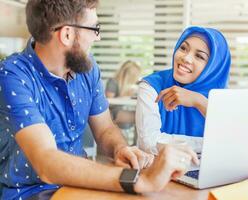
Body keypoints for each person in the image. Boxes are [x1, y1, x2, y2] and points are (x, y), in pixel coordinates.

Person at [0, 1, 198, 200]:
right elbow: (46, 162)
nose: (98, 37)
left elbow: (105, 129)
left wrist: (120, 148)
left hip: (79, 186)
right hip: (30, 193)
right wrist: (137, 180)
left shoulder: (87, 67)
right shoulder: (12, 75)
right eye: (95, 28)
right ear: (67, 34)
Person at [136, 26, 231, 154]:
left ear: (213, 68)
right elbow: (149, 142)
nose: (186, 58)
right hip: (161, 171)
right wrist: (209, 144)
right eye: (183, 48)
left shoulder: (222, 97)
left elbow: (235, 140)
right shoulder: (152, 86)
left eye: (199, 56)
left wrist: (200, 102)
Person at [105, 60, 141, 126]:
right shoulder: (113, 82)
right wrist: (125, 96)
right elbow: (108, 103)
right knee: (141, 117)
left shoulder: (132, 85)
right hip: (113, 112)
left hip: (124, 109)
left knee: (142, 115)